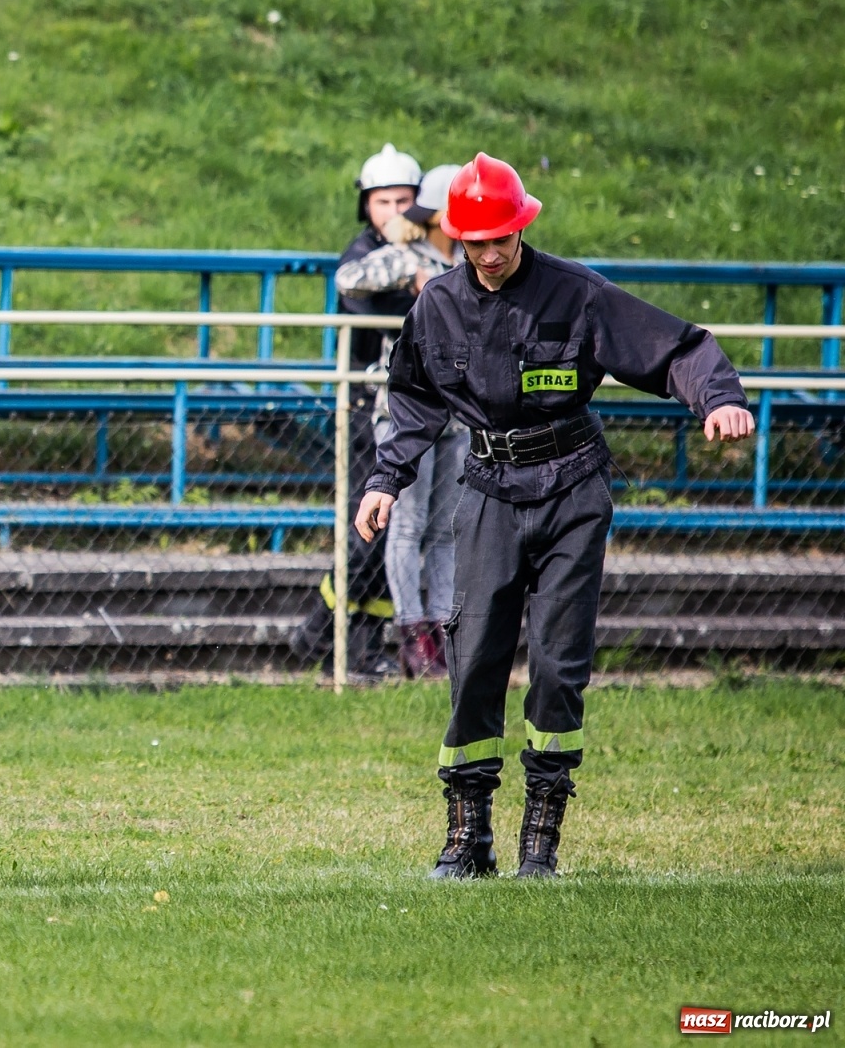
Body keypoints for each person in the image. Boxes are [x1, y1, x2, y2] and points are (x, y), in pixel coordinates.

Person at [354, 154, 753, 878]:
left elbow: (676, 348)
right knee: (473, 658)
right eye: (476, 242)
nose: (492, 253)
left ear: (522, 225)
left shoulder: (578, 295)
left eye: (502, 237)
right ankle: (467, 838)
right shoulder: (437, 304)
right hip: (488, 490)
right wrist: (387, 476)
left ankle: (541, 839)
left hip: (572, 487)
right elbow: (411, 397)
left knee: (558, 665)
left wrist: (717, 397)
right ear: (455, 236)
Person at [290, 143, 421, 681]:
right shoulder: (359, 255)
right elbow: (366, 303)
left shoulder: (432, 250)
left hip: (411, 408)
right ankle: (319, 630)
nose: (393, 211)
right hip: (367, 409)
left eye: (404, 200)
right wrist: (412, 290)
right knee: (368, 531)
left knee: (393, 534)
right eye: (382, 201)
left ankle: (363, 650)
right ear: (366, 205)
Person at [334, 164, 468, 679]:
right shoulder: (409, 256)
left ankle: (441, 629)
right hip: (406, 412)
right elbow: (349, 277)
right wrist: (408, 283)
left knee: (443, 528)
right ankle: (413, 634)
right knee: (407, 524)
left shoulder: (473, 260)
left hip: (458, 415)